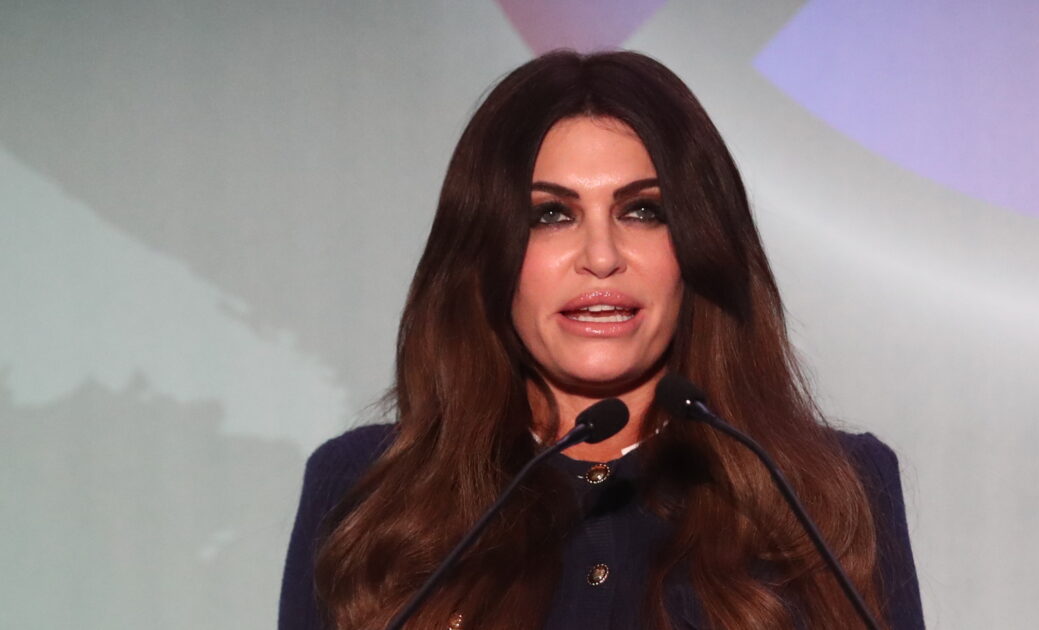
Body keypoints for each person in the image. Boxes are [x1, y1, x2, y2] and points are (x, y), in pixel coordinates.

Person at [279, 50, 923, 630]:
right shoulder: (366, 490)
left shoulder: (828, 491)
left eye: (643, 211)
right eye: (550, 215)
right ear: (485, 256)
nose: (602, 257)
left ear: (700, 247)